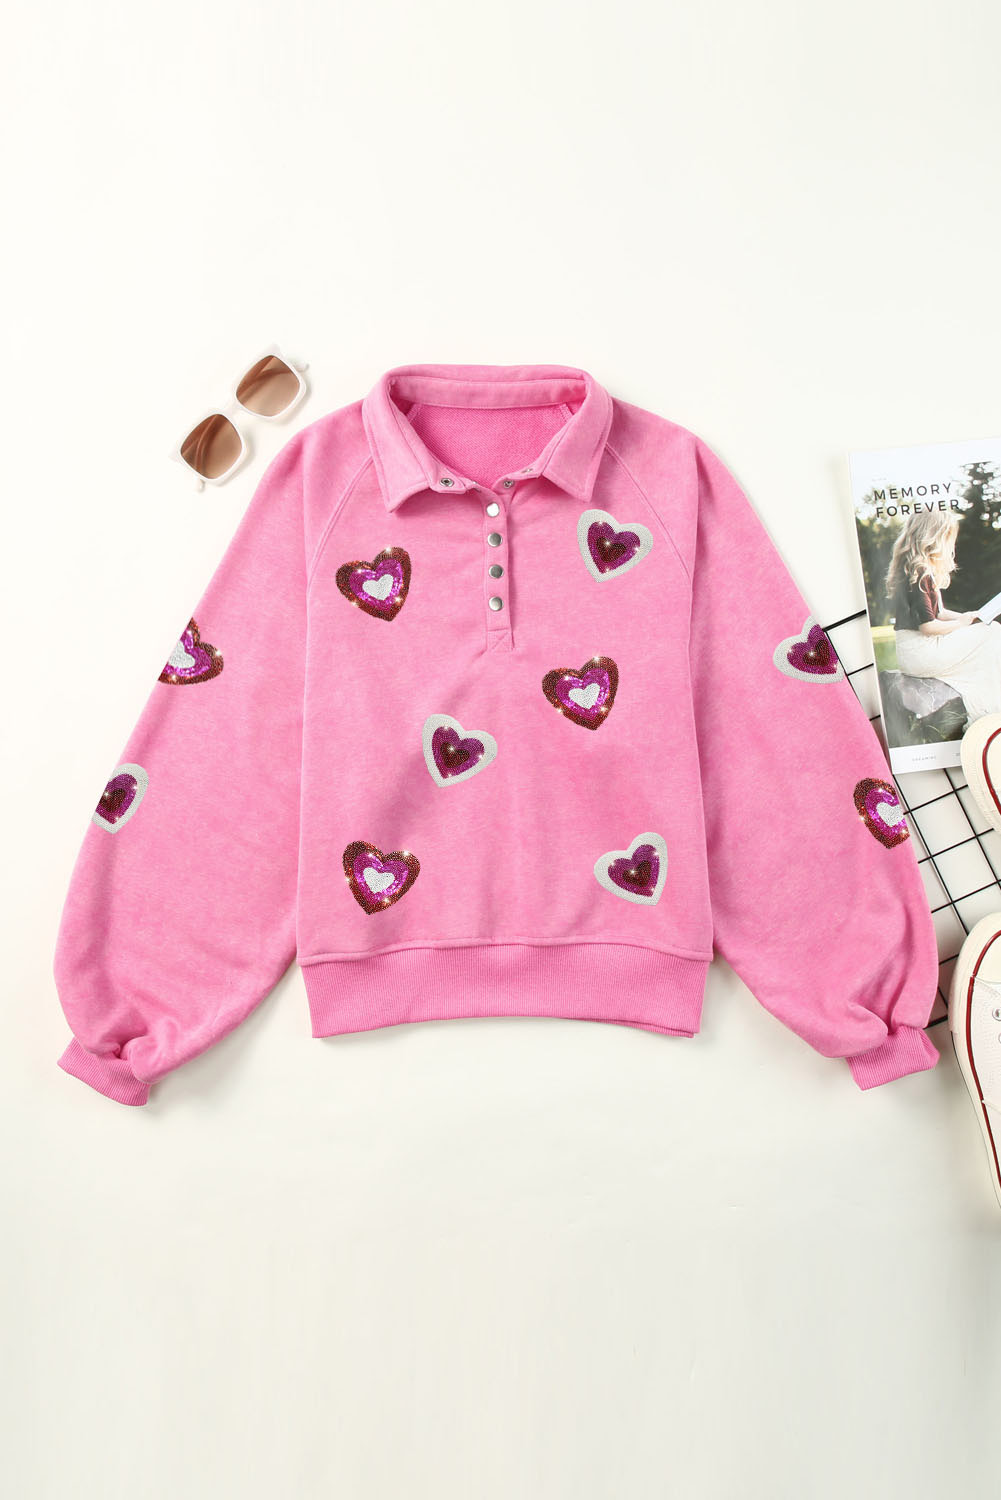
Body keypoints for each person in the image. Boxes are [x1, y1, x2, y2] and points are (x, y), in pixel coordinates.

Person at [887, 511, 1001, 728]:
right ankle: (987, 711)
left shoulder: (917, 570)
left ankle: (988, 708)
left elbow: (939, 613)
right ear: (935, 538)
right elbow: (928, 626)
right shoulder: (920, 573)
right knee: (993, 633)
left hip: (915, 651)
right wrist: (961, 624)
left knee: (991, 631)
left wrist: (971, 617)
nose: (951, 546)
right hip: (921, 651)